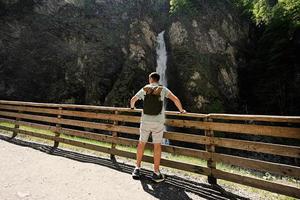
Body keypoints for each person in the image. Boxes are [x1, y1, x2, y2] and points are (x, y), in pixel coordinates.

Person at [130, 72, 186, 182]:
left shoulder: (145, 89)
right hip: (158, 123)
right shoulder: (163, 89)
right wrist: (181, 110)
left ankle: (137, 168)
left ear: (151, 79)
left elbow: (133, 100)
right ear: (158, 80)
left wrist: (132, 108)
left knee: (141, 143)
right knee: (157, 146)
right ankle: (156, 173)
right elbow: (175, 99)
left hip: (145, 121)